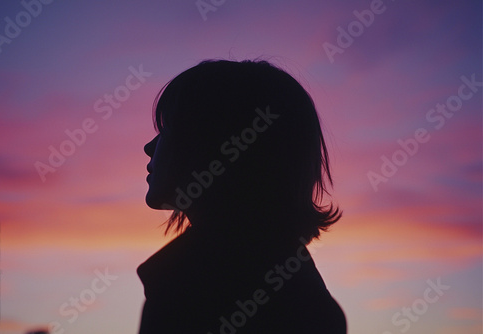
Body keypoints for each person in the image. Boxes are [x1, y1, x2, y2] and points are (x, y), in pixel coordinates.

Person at [138, 59, 346, 333]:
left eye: (167, 131)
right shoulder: (297, 291)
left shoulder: (194, 290)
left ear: (212, 145)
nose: (148, 147)